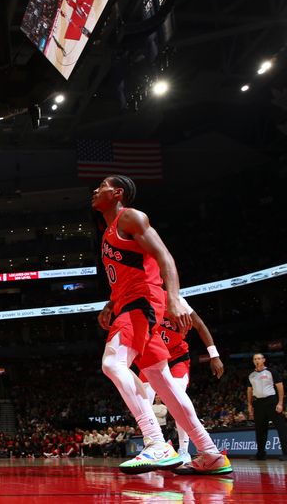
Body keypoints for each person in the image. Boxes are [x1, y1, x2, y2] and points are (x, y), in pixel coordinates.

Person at [92, 175, 231, 475]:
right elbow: (129, 275)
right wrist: (110, 305)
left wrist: (175, 299)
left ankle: (155, 442)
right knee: (162, 382)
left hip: (143, 303)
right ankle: (210, 453)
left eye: (102, 185)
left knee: (112, 363)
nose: (95, 189)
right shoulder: (108, 234)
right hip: (129, 303)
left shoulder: (130, 217)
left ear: (117, 193)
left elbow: (164, 256)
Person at [141, 297, 224, 465]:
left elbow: (200, 325)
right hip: (153, 356)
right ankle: (153, 447)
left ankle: (184, 451)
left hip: (177, 357)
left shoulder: (176, 300)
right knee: (144, 401)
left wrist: (214, 355)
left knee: (177, 401)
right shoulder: (143, 299)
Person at [247, 353, 287, 460]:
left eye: (259, 358)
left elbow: (280, 387)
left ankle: (286, 453)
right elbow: (249, 391)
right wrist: (250, 405)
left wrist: (280, 403)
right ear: (253, 361)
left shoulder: (271, 371)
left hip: (272, 402)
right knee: (260, 430)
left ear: (263, 360)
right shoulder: (251, 375)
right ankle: (260, 454)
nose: (257, 360)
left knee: (281, 428)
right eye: (255, 359)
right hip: (258, 404)